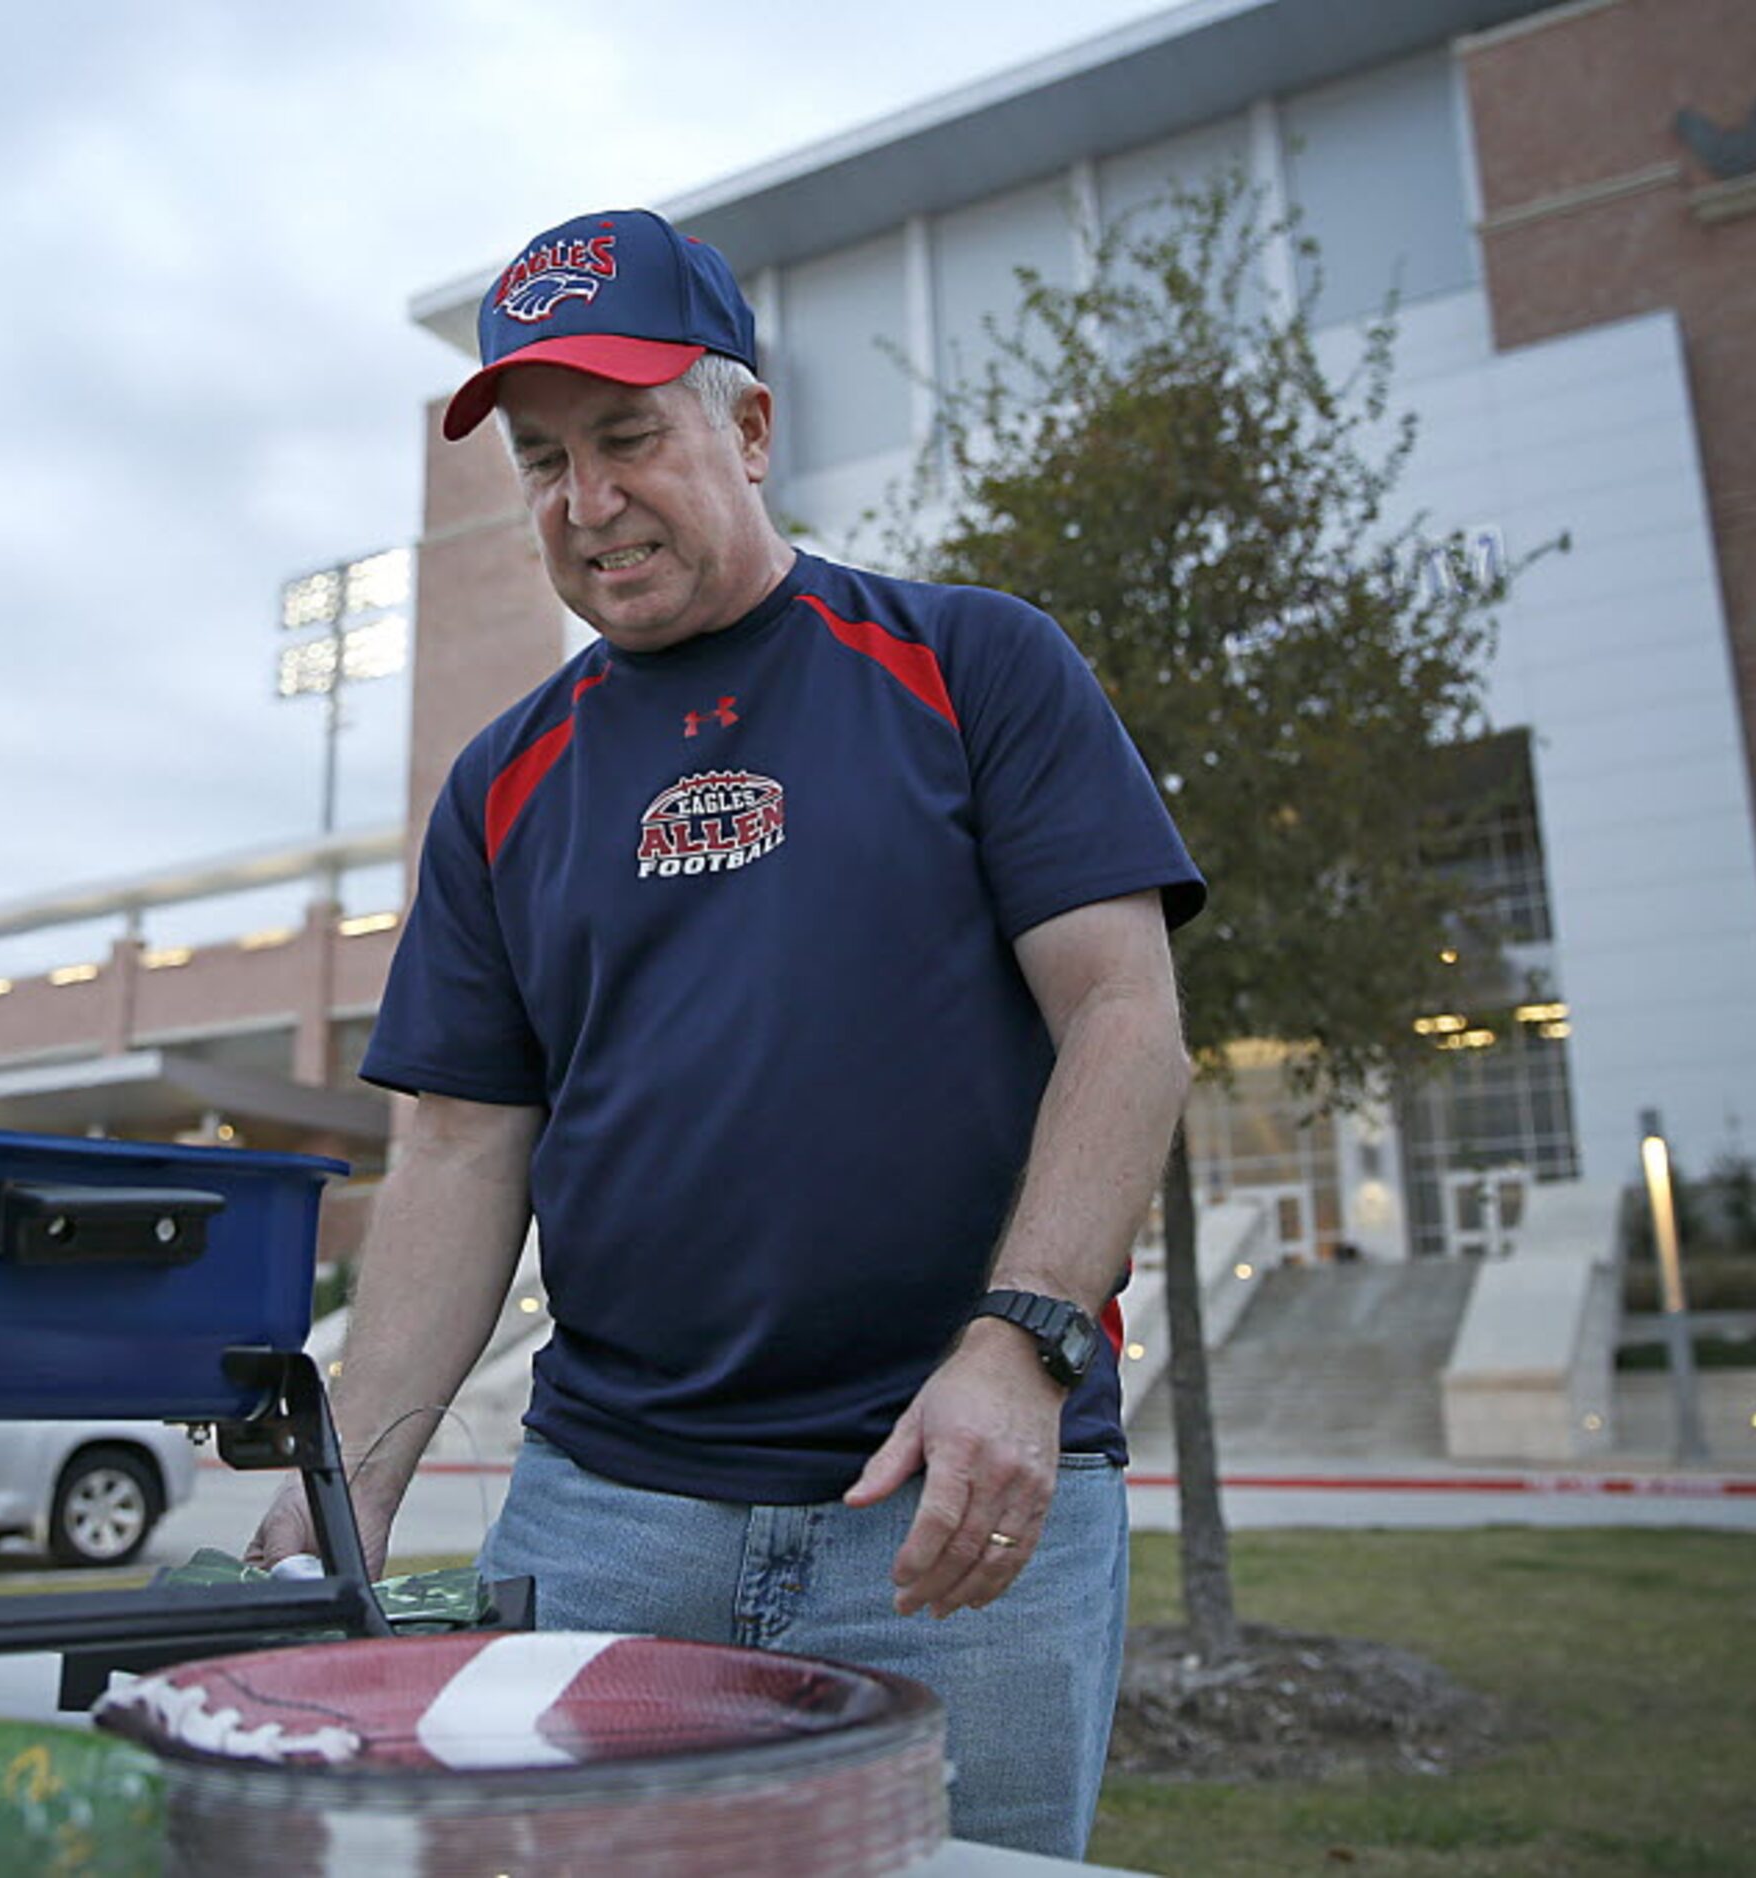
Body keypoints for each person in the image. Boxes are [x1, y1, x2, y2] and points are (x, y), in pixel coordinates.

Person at [250, 206, 1205, 1858]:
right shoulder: (500, 785)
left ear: (749, 427)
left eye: (627, 435)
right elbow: (463, 1151)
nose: (586, 499)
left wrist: (1020, 1345)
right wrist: (343, 1491)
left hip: (952, 1506)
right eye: (543, 460)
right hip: (611, 1517)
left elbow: (1126, 1017)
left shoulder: (973, 666)